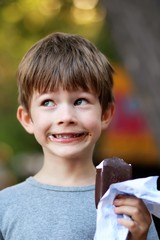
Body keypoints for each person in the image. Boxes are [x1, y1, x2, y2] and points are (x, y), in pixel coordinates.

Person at [0, 32, 158, 240]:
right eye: (48, 102)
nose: (66, 117)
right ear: (27, 118)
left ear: (105, 114)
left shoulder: (128, 206)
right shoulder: (5, 205)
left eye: (80, 101)